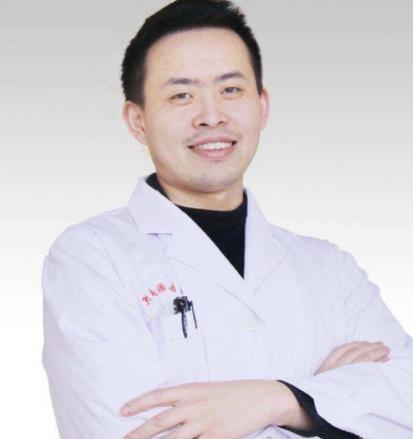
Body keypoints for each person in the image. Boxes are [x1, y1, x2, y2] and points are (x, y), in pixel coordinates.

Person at [41, 1, 413, 438]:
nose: (211, 116)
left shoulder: (330, 268)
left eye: (231, 90)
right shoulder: (90, 259)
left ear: (262, 105)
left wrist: (281, 399)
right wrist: (328, 409)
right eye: (181, 95)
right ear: (137, 120)